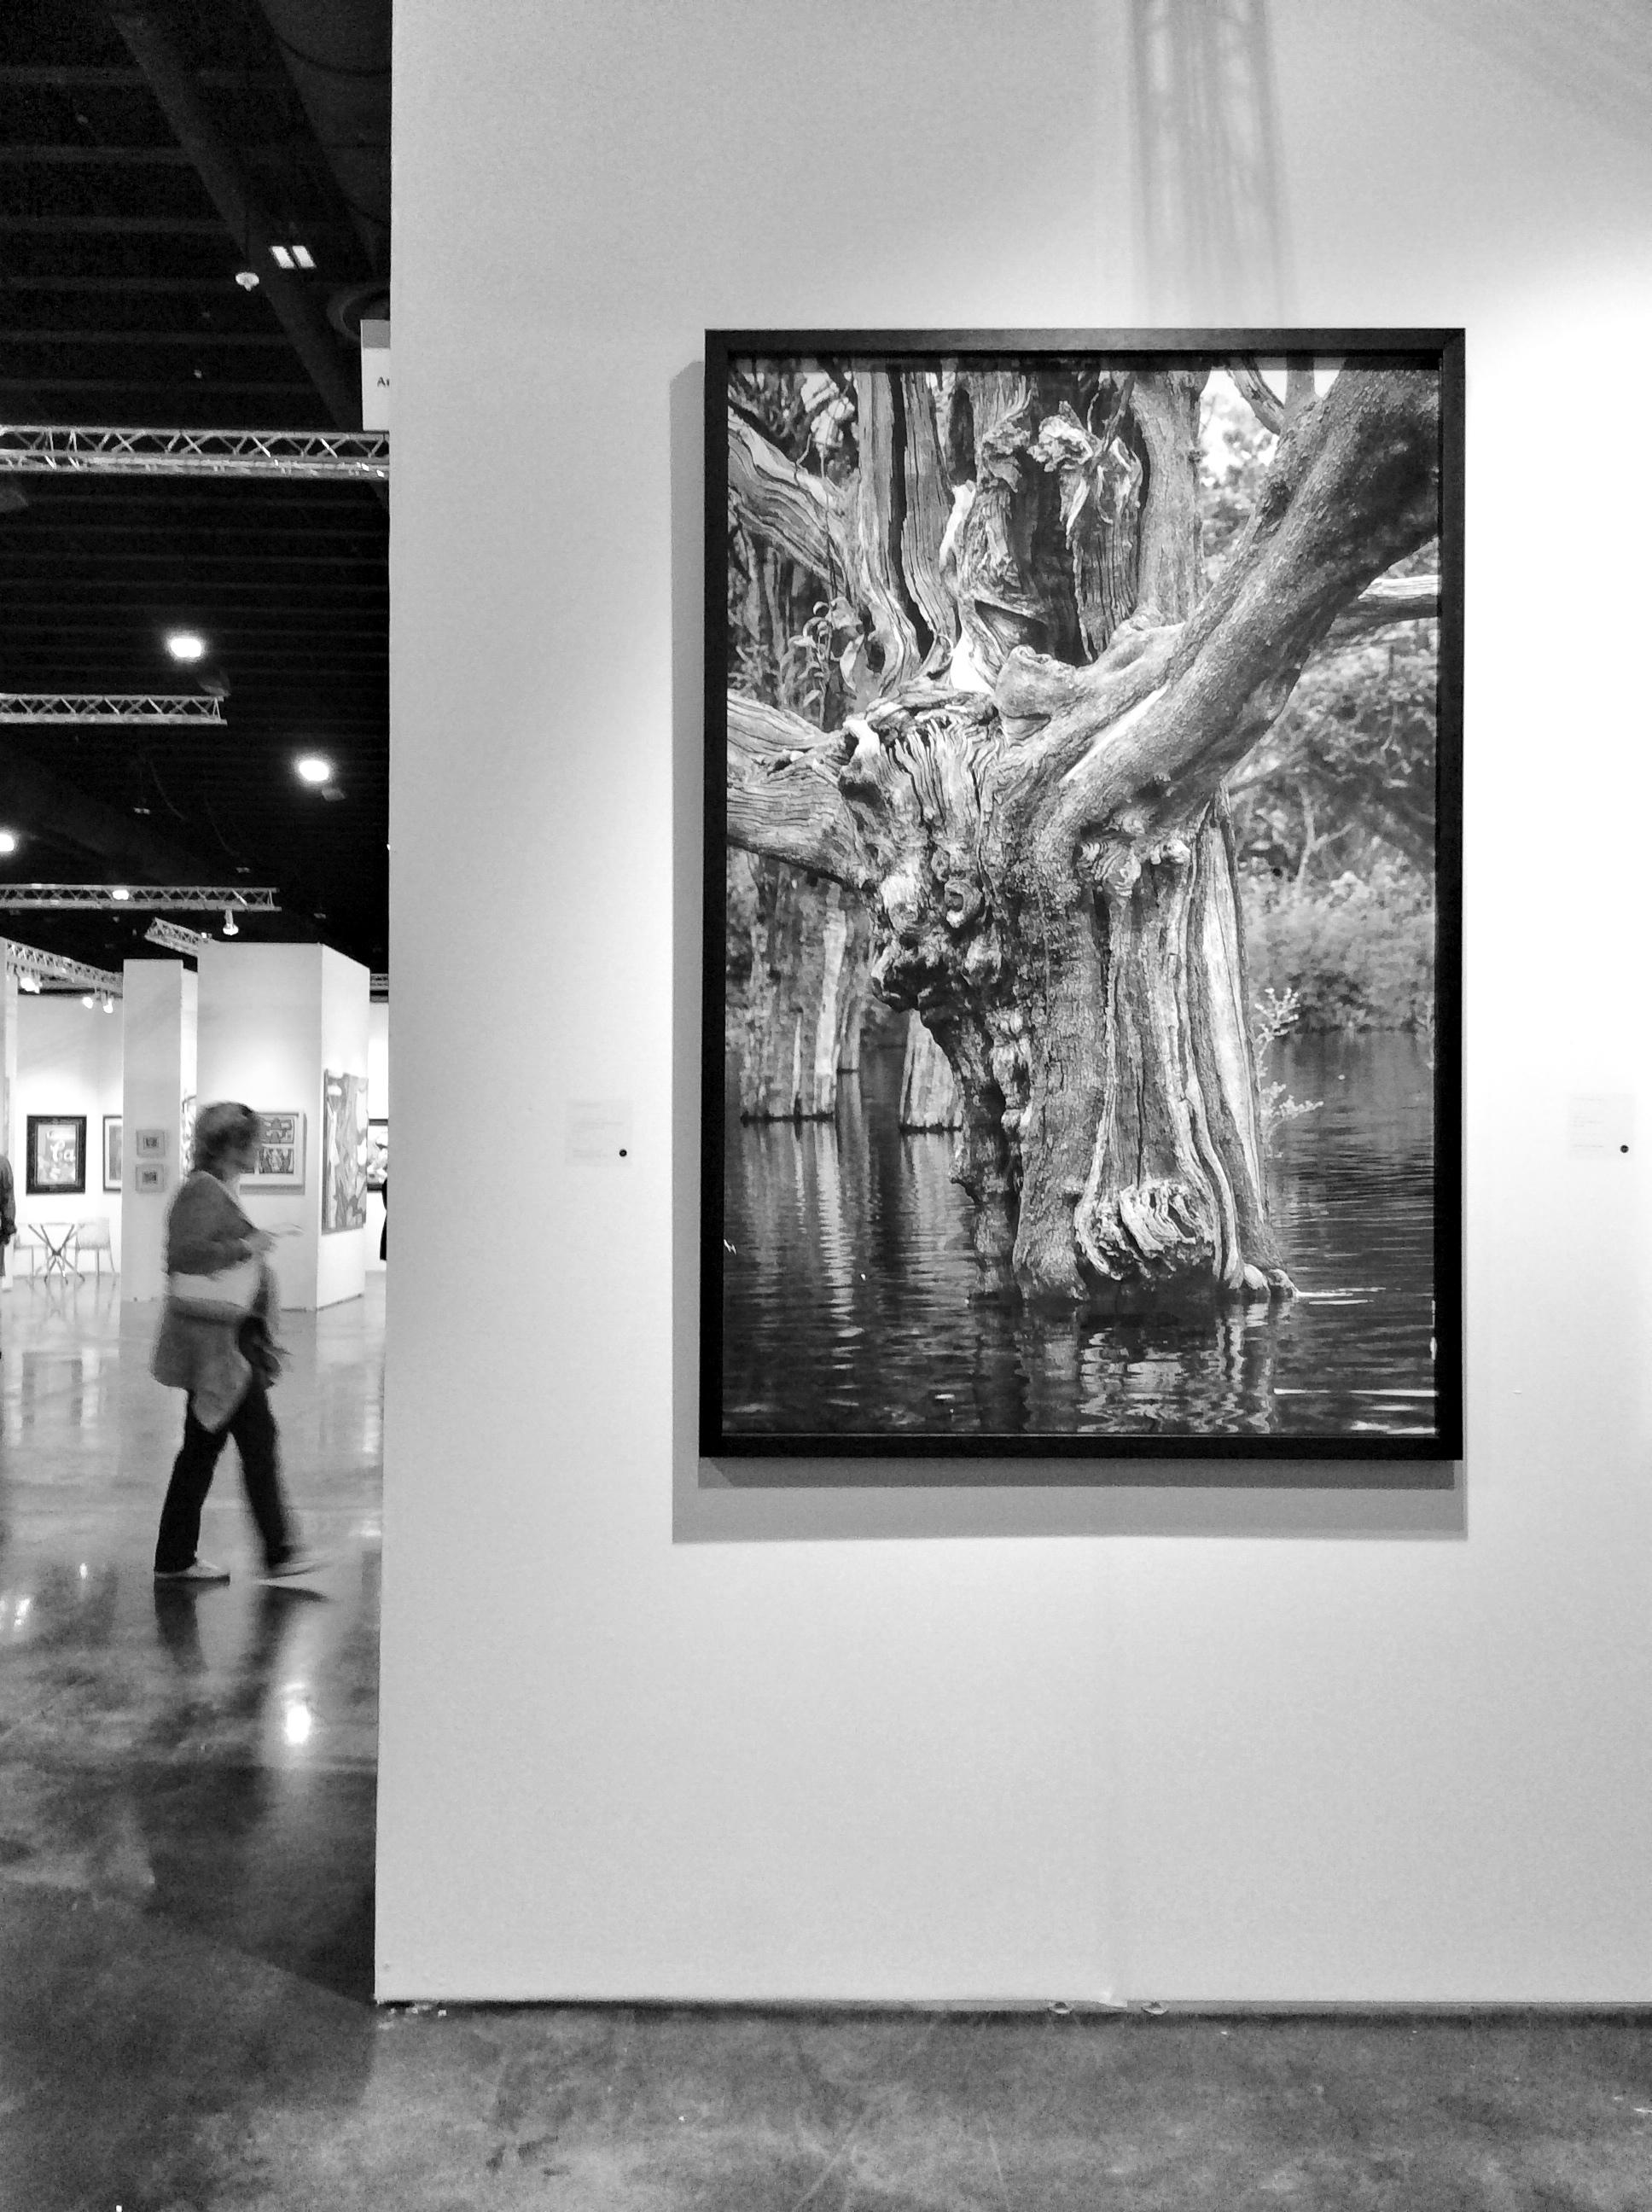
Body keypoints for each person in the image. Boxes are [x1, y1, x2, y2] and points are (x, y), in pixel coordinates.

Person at [151, 1100, 317, 1584]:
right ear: (229, 1146)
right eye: (253, 1142)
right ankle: (278, 1551)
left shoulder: (215, 1188)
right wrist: (249, 1245)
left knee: (207, 1449)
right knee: (248, 1444)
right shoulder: (202, 1191)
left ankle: (178, 1556)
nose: (259, 1149)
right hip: (221, 1344)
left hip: (227, 1342)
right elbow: (184, 1255)